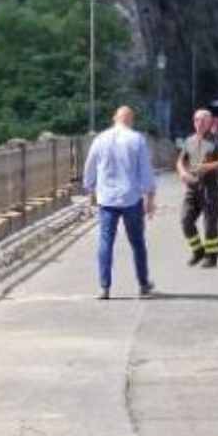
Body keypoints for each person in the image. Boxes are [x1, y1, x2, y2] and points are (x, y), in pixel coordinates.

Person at [82, 106, 157, 300]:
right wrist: (150, 197)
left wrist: (90, 189)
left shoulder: (100, 139)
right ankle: (143, 284)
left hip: (106, 198)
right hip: (131, 198)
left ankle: (104, 286)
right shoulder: (137, 139)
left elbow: (90, 166)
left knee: (106, 242)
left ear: (114, 118)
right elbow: (145, 171)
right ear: (131, 120)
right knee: (137, 242)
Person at [178, 110, 218, 268]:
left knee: (210, 224)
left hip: (210, 188)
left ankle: (212, 256)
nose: (199, 123)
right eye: (196, 120)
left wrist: (208, 167)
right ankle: (198, 251)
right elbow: (180, 160)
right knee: (185, 220)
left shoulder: (216, 141)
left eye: (202, 120)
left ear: (209, 123)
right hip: (192, 187)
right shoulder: (189, 140)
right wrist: (182, 172)